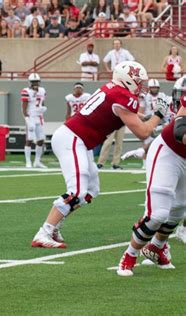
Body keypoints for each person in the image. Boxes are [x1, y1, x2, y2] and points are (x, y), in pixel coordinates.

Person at [31, 61, 170, 248]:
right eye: (139, 81)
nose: (142, 86)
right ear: (127, 80)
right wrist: (159, 114)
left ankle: (54, 226)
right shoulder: (122, 96)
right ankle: (44, 232)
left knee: (90, 191)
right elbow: (143, 132)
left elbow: (129, 116)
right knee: (77, 191)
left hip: (79, 141)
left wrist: (153, 118)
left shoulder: (115, 91)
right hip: (72, 139)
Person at [117, 78, 186, 276]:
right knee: (157, 215)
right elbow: (179, 129)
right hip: (169, 151)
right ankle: (130, 255)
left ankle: (156, 247)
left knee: (179, 209)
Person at [121, 79, 170, 168]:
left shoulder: (163, 96)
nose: (154, 89)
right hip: (150, 121)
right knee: (148, 143)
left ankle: (158, 164)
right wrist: (145, 118)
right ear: (149, 88)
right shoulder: (145, 97)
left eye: (156, 87)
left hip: (162, 122)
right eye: (153, 87)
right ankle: (145, 164)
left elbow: (167, 110)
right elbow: (140, 111)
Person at [21, 73, 48, 169]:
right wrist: (27, 119)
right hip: (31, 116)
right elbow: (24, 109)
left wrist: (42, 108)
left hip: (39, 117)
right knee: (29, 139)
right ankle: (28, 161)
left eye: (37, 81)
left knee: (41, 139)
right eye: (33, 82)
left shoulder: (42, 90)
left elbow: (42, 103)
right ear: (30, 82)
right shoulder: (26, 91)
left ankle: (37, 161)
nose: (35, 83)